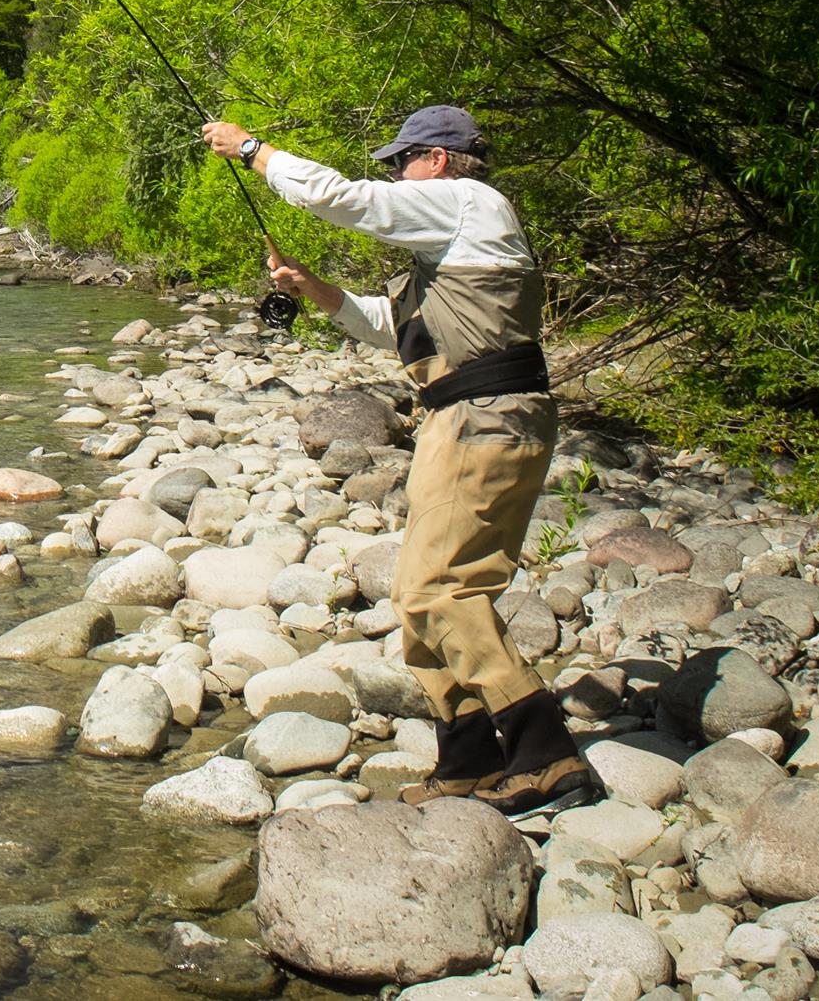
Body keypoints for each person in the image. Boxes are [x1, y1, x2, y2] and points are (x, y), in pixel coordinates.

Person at [202, 106, 592, 816]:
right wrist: (313, 288)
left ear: (436, 161)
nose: (392, 174)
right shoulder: (457, 248)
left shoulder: (469, 202)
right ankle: (469, 752)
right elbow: (395, 331)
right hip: (466, 417)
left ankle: (545, 753)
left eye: (400, 161)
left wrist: (252, 149)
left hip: (485, 417)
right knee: (417, 599)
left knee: (445, 592)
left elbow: (347, 200)